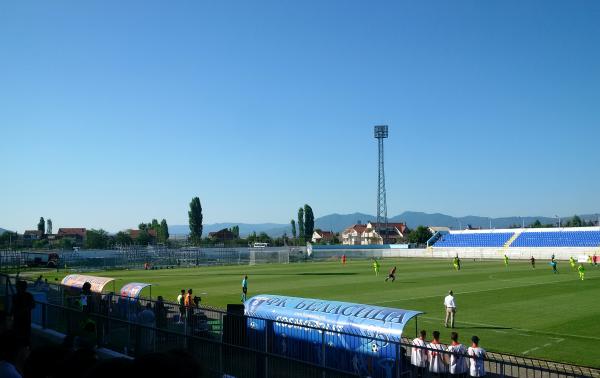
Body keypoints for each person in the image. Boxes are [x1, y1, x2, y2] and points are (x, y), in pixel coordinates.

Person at [11, 280, 35, 345]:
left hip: (21, 319)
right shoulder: (28, 296)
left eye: (17, 287)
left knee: (20, 336)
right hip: (24, 319)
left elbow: (13, 307)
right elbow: (33, 305)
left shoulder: (15, 296)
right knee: (25, 336)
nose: (16, 288)